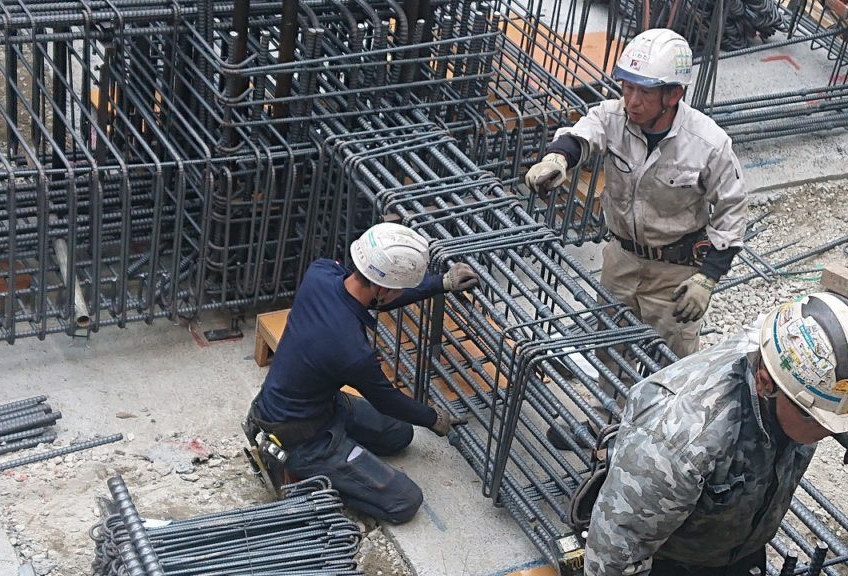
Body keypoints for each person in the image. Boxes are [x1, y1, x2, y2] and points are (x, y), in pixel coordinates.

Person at [581, 292, 848, 576]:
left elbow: (829, 396)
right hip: (674, 561)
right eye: (819, 420)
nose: (826, 434)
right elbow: (614, 554)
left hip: (737, 547)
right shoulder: (679, 443)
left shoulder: (793, 352)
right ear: (765, 383)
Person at [525, 28, 747, 361]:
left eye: (643, 93)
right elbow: (582, 134)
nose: (631, 102)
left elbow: (733, 209)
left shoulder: (708, 144)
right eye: (627, 88)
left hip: (675, 271)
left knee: (671, 363)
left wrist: (708, 278)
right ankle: (608, 411)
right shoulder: (614, 117)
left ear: (673, 95)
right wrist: (558, 157)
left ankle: (659, 414)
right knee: (611, 351)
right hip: (622, 261)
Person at [247, 222, 479, 524]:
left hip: (315, 405)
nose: (401, 293)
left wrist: (441, 283)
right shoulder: (352, 352)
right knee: (405, 501)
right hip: (300, 439)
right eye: (400, 288)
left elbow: (376, 295)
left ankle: (339, 455)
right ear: (384, 287)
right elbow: (387, 400)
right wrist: (434, 419)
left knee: (400, 434)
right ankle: (302, 475)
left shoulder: (321, 273)